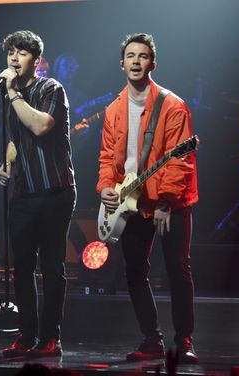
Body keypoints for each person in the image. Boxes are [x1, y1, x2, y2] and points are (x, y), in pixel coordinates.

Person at [97, 33, 198, 363]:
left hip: (169, 203)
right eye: (130, 55)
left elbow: (180, 158)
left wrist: (166, 201)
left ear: (152, 63)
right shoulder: (114, 109)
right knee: (134, 272)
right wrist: (106, 189)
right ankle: (151, 340)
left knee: (177, 269)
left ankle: (184, 341)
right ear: (122, 63)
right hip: (130, 200)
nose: (136, 61)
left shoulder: (172, 105)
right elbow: (107, 156)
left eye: (142, 56)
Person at [0, 30, 76, 359]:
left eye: (22, 53)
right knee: (22, 267)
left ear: (37, 60)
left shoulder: (51, 88)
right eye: (10, 53)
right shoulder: (11, 95)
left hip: (55, 190)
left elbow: (40, 126)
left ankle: (50, 338)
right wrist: (8, 163)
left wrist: (14, 95)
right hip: (25, 192)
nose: (14, 58)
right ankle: (26, 335)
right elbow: (17, 136)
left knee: (52, 266)